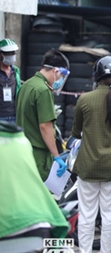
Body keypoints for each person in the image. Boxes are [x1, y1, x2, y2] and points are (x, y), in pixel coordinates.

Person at [71, 56, 111, 253]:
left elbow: (75, 132)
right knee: (110, 214)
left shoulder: (84, 100)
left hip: (87, 166)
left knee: (87, 214)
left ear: (97, 75)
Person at [0, 121, 69, 240]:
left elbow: (45, 125)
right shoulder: (22, 141)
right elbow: (45, 125)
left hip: (9, 228)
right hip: (43, 220)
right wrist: (57, 155)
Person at [16, 49, 70, 180]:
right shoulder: (43, 90)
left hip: (22, 150)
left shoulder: (27, 85)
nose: (60, 81)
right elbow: (45, 126)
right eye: (62, 77)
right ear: (55, 71)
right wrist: (56, 155)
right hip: (38, 156)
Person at [0, 38, 21, 122]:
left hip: (14, 116)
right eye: (8, 53)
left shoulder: (16, 71)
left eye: (13, 52)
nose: (11, 55)